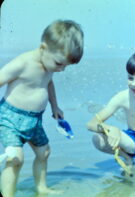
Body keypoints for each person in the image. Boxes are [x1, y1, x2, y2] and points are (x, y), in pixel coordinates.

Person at [0, 19, 84, 196]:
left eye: (66, 66)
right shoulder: (22, 63)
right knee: (15, 159)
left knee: (44, 153)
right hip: (10, 118)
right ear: (43, 48)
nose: (62, 69)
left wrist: (55, 106)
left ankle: (41, 188)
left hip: (35, 120)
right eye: (60, 63)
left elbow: (48, 83)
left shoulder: (49, 64)